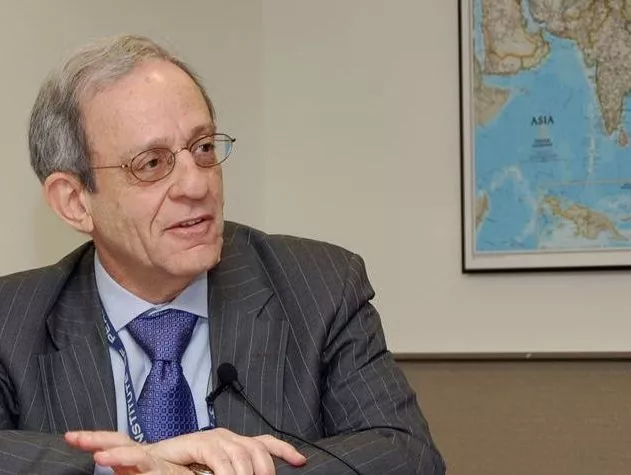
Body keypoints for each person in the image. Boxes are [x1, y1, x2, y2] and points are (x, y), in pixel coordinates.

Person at [0, 34, 445, 474]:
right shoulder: (11, 321)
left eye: (204, 148)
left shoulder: (319, 287)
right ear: (75, 202)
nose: (197, 185)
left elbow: (406, 454)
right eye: (152, 163)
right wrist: (121, 468)